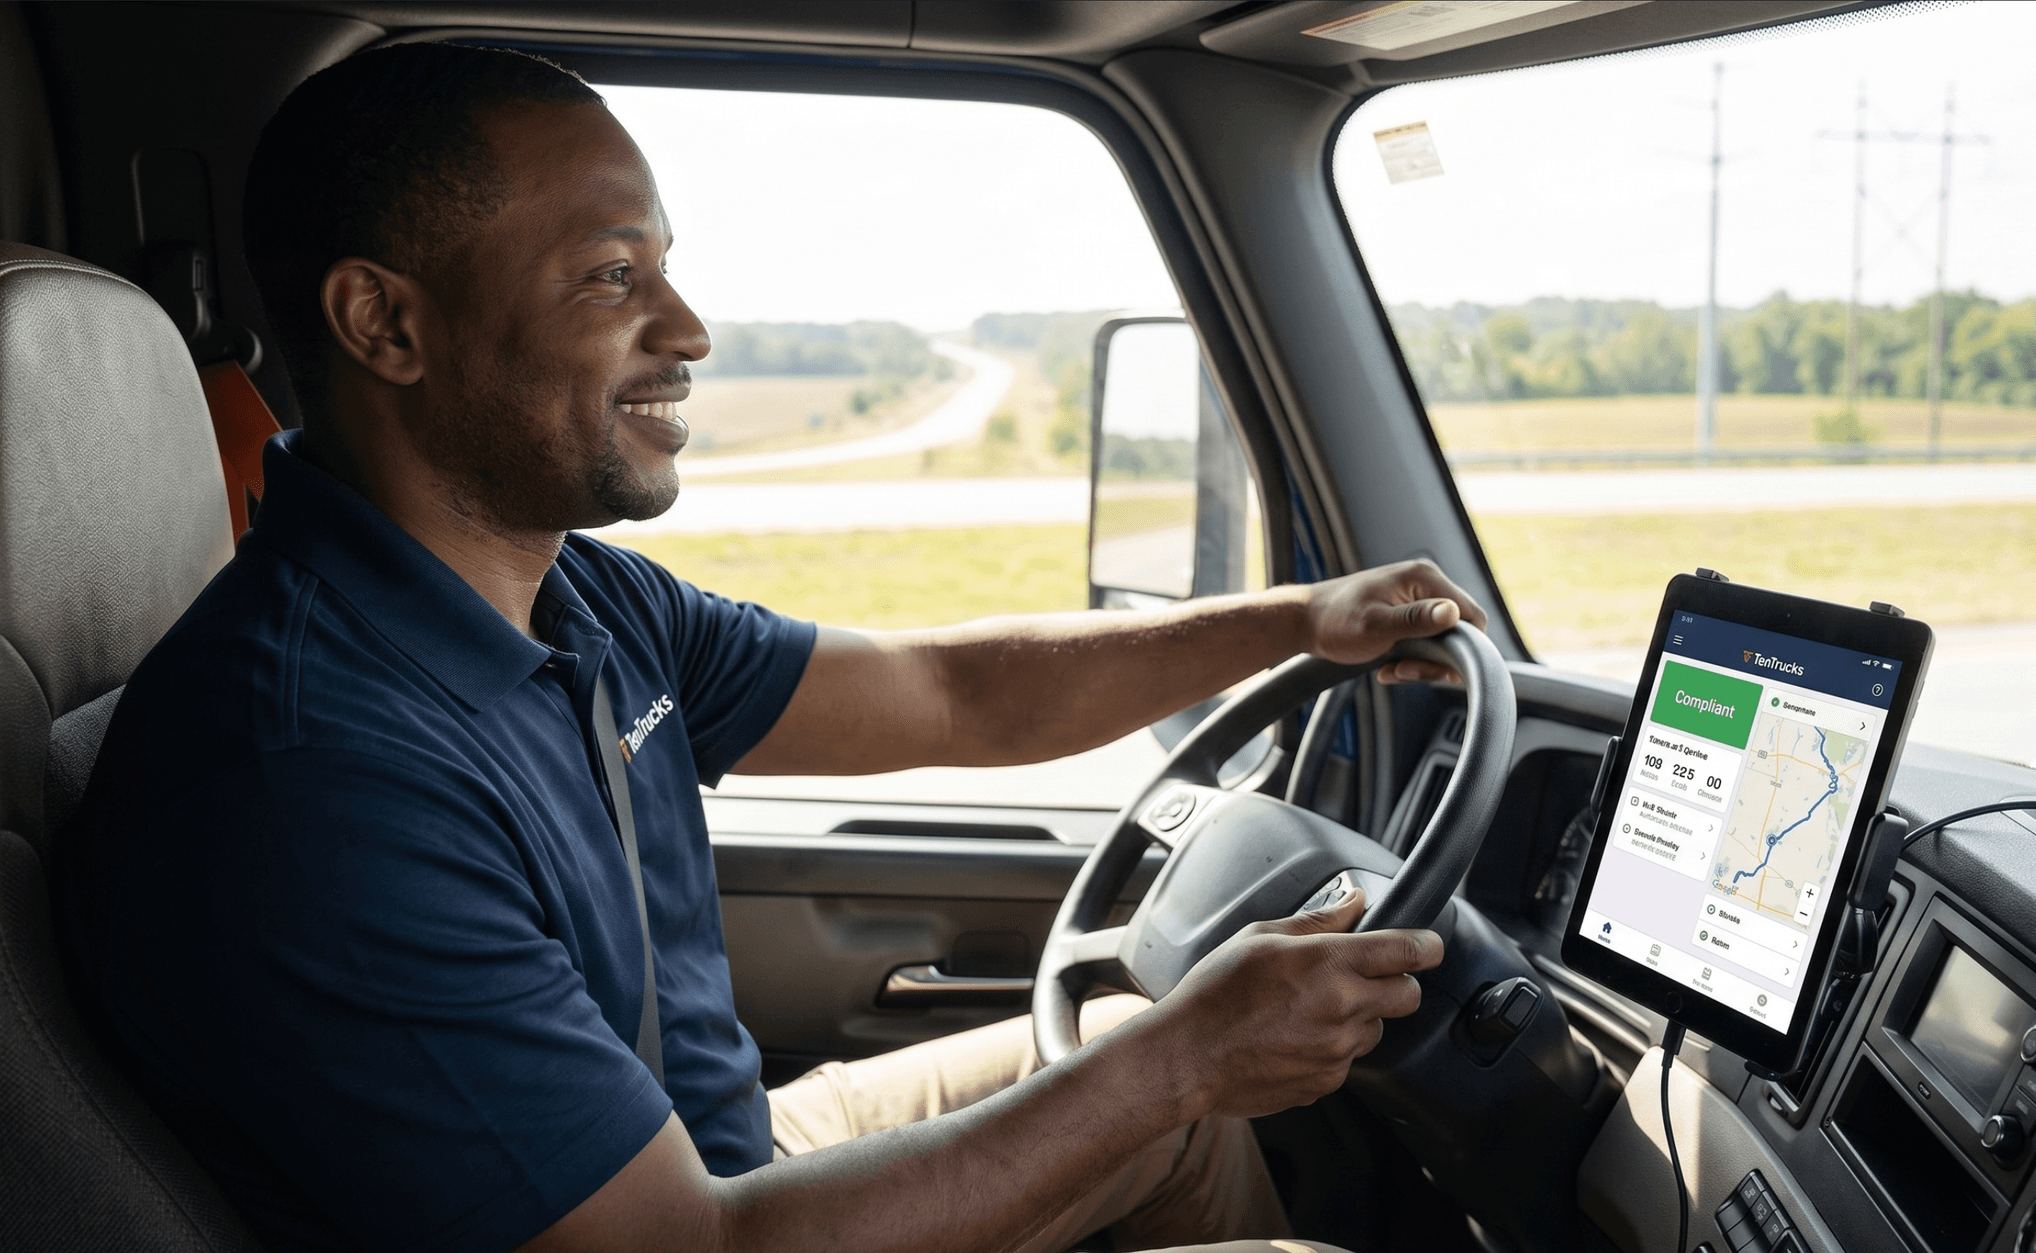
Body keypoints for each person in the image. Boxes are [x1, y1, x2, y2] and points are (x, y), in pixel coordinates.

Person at [58, 43, 1487, 1253]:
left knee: (1139, 1059)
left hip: (702, 1155)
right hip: (685, 1219)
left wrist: (1299, 621)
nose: (689, 331)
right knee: (1177, 1090)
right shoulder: (315, 780)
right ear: (386, 323)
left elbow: (950, 692)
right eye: (612, 279)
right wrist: (1185, 1061)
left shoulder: (580, 603)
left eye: (666, 270)